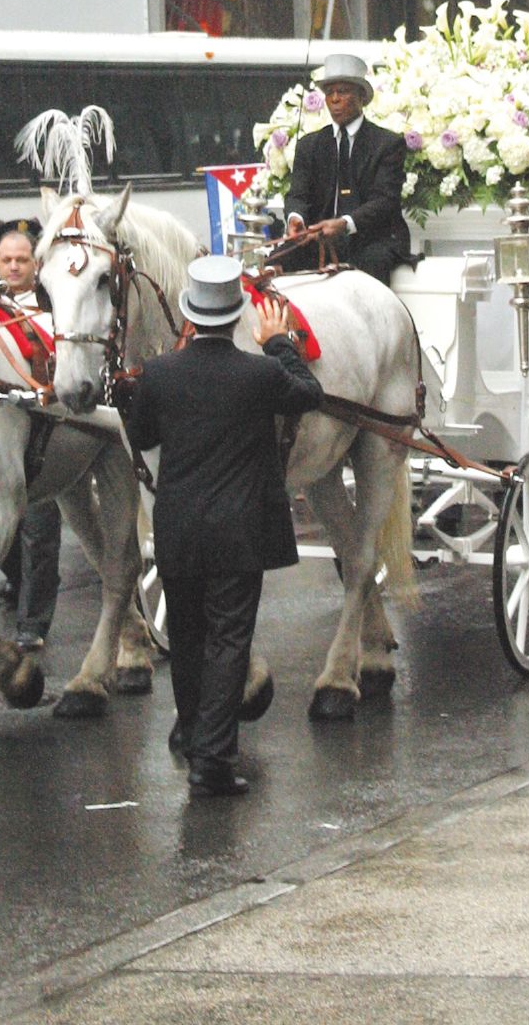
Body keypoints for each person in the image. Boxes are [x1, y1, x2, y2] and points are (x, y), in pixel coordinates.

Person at [116, 255, 323, 796]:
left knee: (186, 638)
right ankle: (212, 757)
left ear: (189, 314)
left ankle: (192, 734)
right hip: (241, 526)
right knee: (229, 639)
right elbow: (309, 393)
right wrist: (279, 341)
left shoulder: (160, 374)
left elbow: (140, 438)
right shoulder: (259, 372)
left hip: (180, 524)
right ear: (237, 318)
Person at [276, 53, 412, 286]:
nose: (335, 99)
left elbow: (385, 202)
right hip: (320, 240)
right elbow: (297, 195)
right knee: (277, 260)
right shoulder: (309, 145)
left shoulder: (387, 144)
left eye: (343, 92)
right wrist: (295, 218)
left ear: (362, 97)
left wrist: (345, 224)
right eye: (330, 93)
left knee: (371, 263)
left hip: (372, 239)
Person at [0, 223, 61, 652]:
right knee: (4, 530)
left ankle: (33, 623)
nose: (14, 267)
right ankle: (20, 590)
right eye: (6, 260)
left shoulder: (54, 305)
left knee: (39, 526)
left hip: (46, 425)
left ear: (36, 264)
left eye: (22, 260)